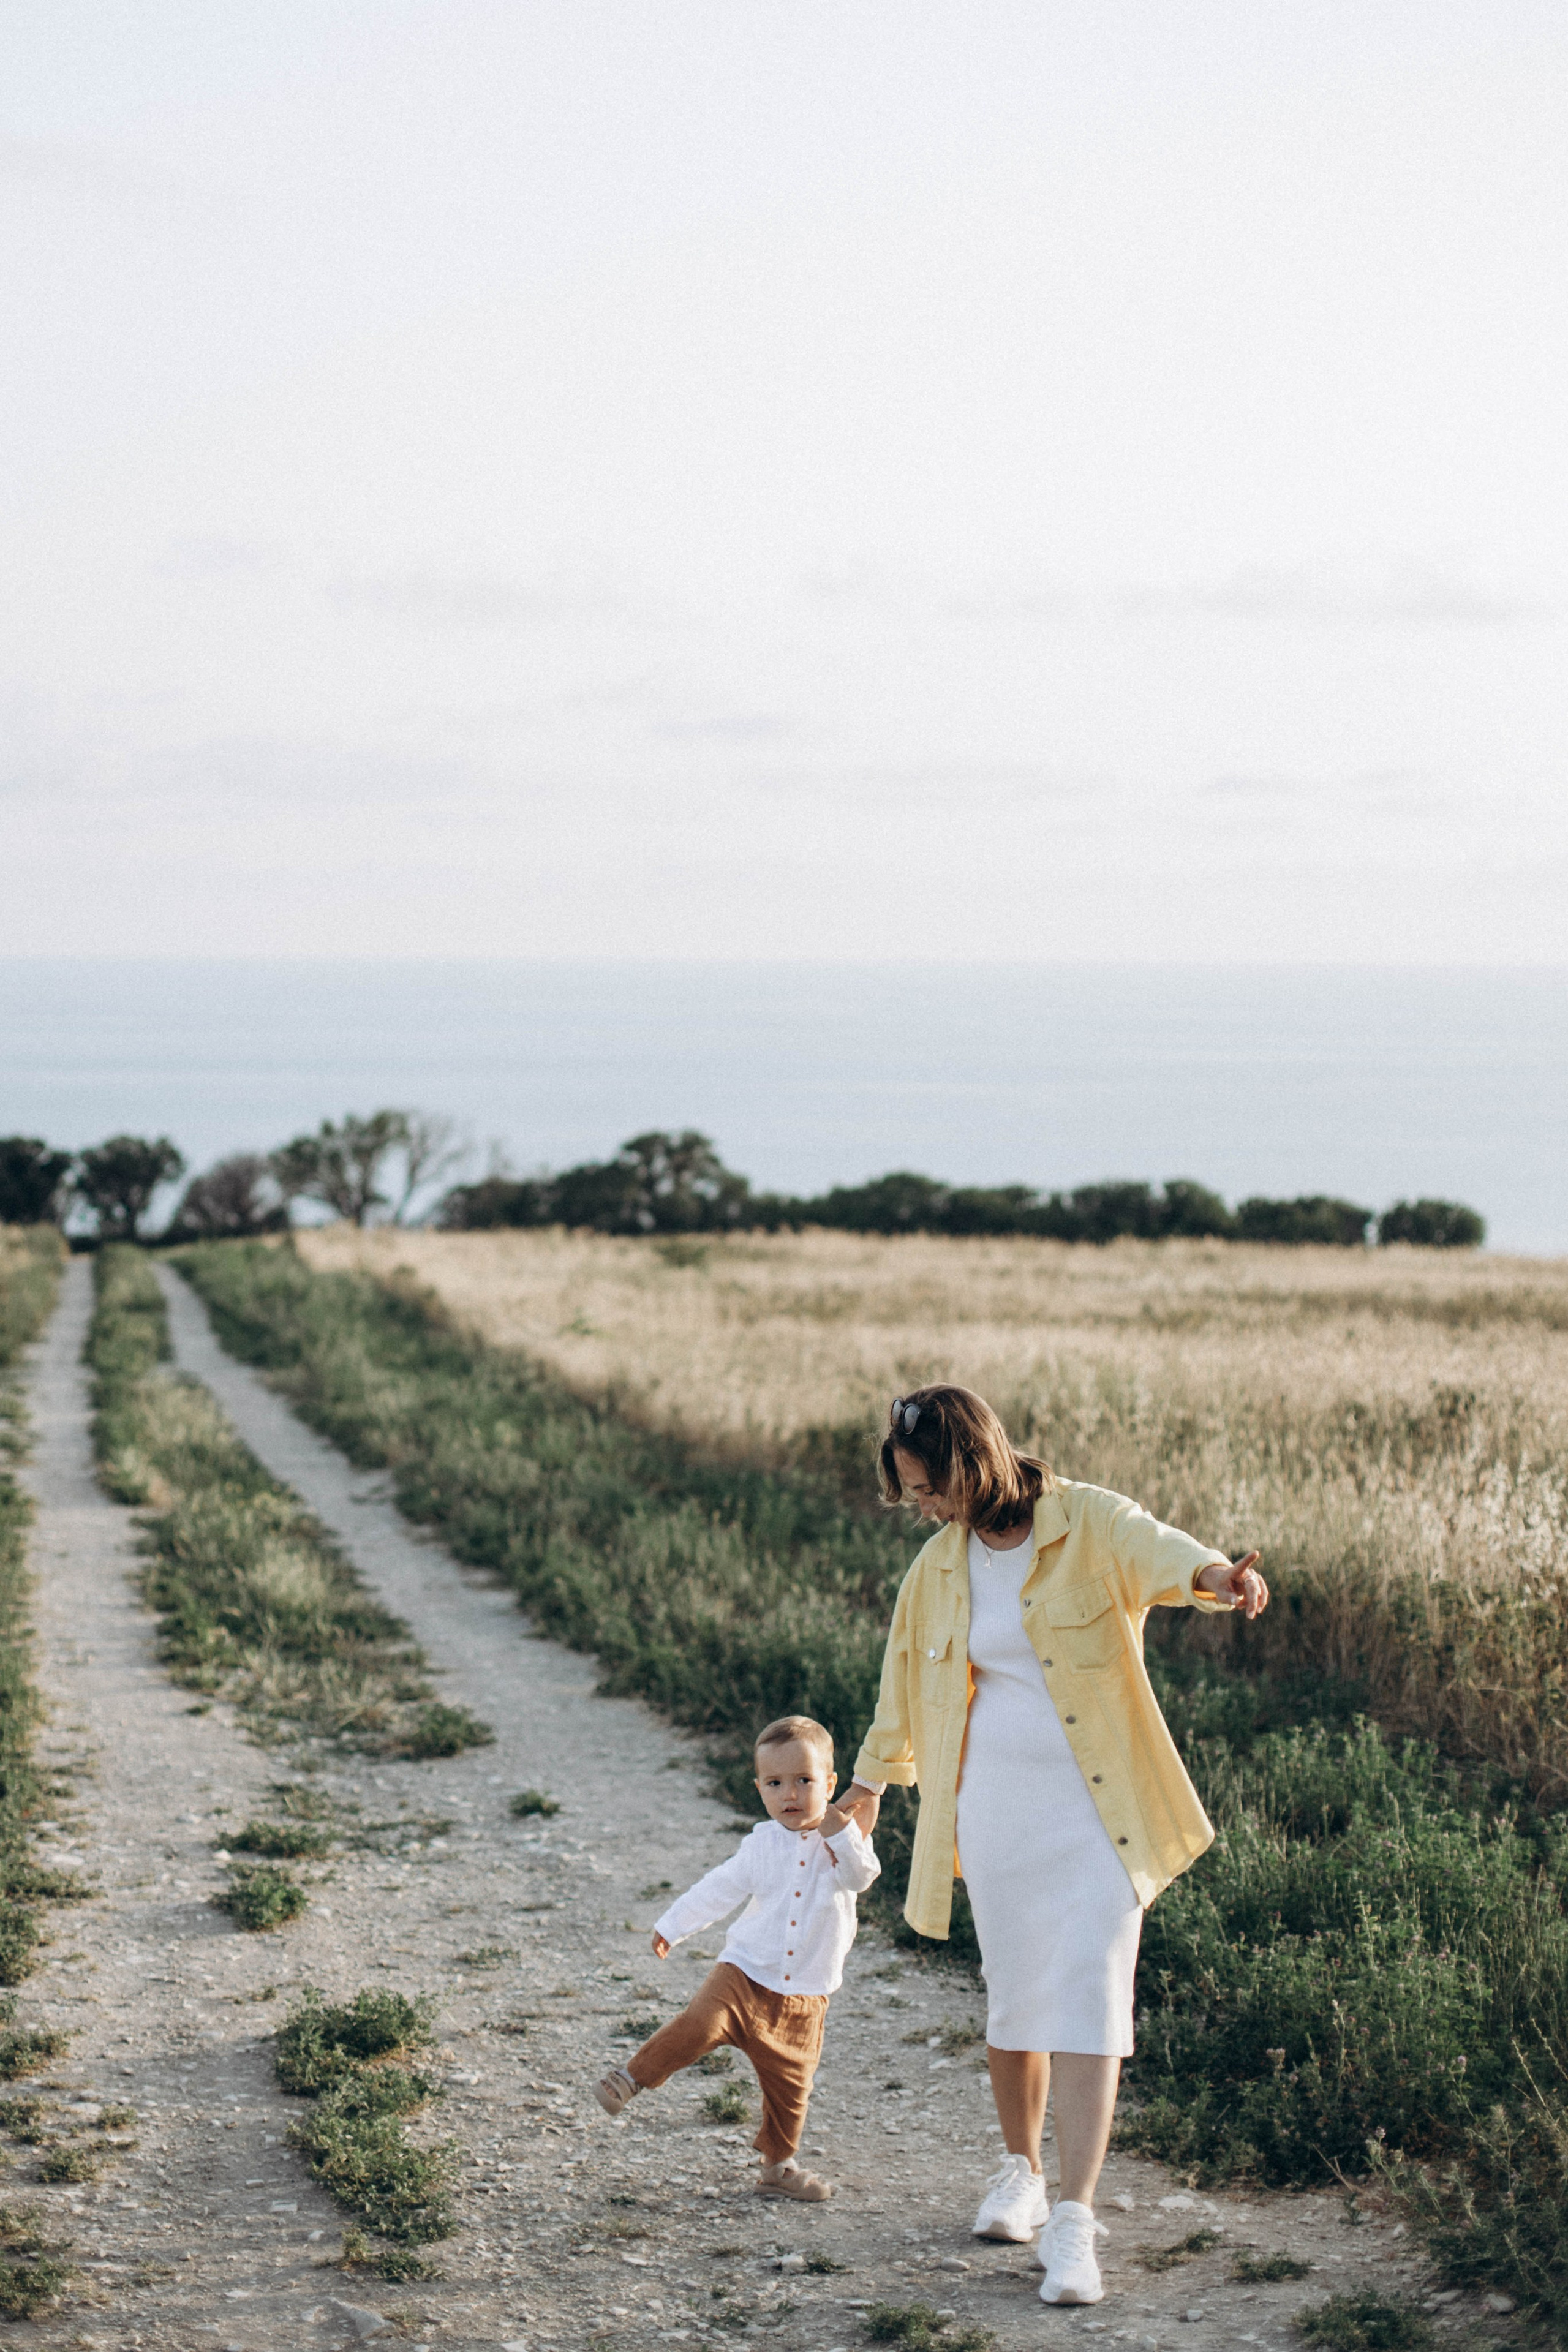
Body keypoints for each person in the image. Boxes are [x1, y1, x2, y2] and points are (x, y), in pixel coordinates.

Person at [837, 1386, 1266, 2306]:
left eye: (926, 1489)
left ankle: (1075, 2221)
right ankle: (1020, 2173)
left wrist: (1219, 1579)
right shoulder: (937, 1570)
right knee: (1017, 1991)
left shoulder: (1088, 1524)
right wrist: (869, 1785)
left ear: (968, 1464)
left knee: (1090, 1996)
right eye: (912, 1495)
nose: (922, 1508)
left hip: (1096, 1812)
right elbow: (901, 1686)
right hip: (992, 1809)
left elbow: (1166, 1556)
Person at [593, 1715, 880, 2201]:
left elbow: (860, 1878)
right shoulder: (761, 1844)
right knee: (700, 2024)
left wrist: (840, 1834)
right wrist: (673, 1925)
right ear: (760, 1789)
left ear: (830, 1784)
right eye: (775, 1784)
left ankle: (778, 2167)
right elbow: (719, 1888)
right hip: (744, 1971)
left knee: (792, 2088)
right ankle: (631, 2077)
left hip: (805, 1992)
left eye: (804, 1781)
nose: (789, 1794)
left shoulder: (843, 1841)